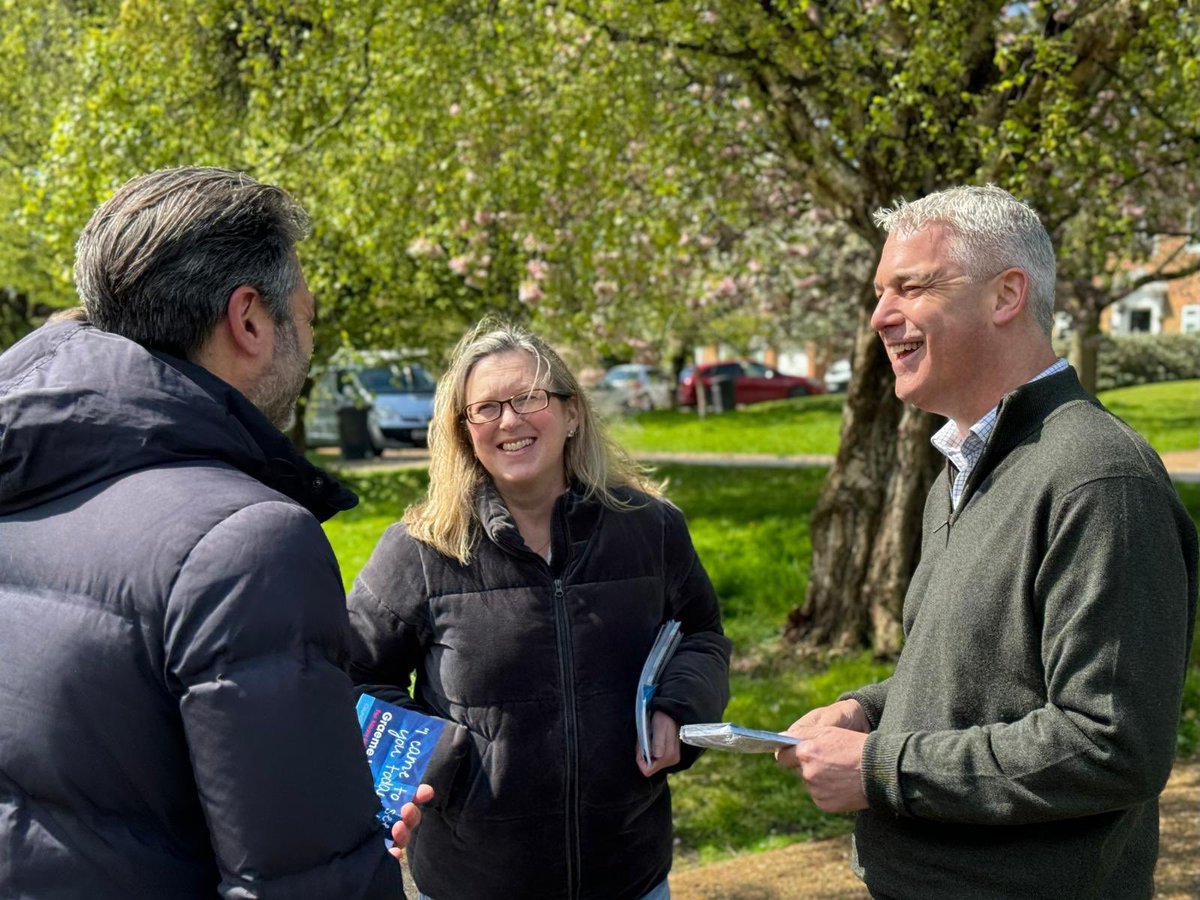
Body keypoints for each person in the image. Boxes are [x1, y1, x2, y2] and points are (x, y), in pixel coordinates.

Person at [0, 166, 428, 898]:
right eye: (308, 316)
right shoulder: (249, 543)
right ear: (251, 320)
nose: (310, 343)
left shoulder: (20, 478)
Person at [776, 184, 1198, 899]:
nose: (880, 316)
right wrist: (868, 712)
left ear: (1006, 296)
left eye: (911, 286)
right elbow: (985, 677)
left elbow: (1111, 745)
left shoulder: (1098, 478)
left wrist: (882, 768)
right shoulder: (960, 475)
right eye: (880, 292)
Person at [345, 320, 731, 900]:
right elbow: (351, 672)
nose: (509, 420)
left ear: (572, 413)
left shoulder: (649, 528)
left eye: (529, 398)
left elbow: (701, 634)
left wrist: (677, 707)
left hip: (627, 873)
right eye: (486, 409)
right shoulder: (420, 549)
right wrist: (436, 755)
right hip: (472, 880)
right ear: (464, 431)